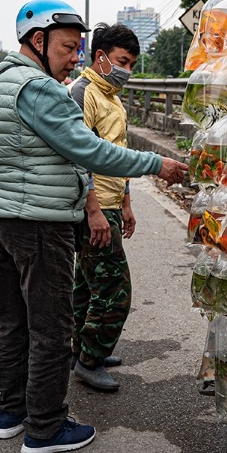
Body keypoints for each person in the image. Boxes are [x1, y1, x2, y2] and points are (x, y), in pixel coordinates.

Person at [0, 0, 188, 453]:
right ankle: (46, 429)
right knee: (51, 328)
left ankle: (11, 414)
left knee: (14, 321)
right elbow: (90, 152)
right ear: (39, 40)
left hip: (4, 217)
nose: (75, 58)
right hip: (39, 223)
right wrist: (156, 162)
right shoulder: (39, 89)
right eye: (70, 48)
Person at [69, 23, 140, 391]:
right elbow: (78, 157)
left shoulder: (111, 96)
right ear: (100, 57)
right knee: (115, 291)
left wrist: (126, 203)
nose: (127, 70)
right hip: (93, 208)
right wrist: (94, 211)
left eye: (131, 64)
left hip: (113, 204)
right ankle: (89, 359)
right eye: (122, 61)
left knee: (87, 284)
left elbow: (120, 152)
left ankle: (81, 348)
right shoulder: (82, 94)